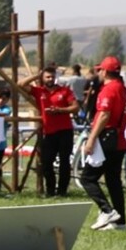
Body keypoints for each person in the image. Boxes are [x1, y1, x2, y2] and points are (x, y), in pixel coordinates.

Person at [82, 57, 126, 230]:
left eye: (99, 70)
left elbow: (104, 115)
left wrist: (92, 139)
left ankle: (107, 210)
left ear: (104, 71)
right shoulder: (124, 90)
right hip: (120, 140)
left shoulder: (109, 90)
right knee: (113, 181)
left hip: (106, 139)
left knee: (87, 178)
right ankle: (120, 221)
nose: (98, 73)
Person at [23, 65, 79, 197]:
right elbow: (21, 84)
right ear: (43, 78)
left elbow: (75, 107)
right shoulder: (39, 91)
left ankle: (62, 191)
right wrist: (37, 75)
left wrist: (60, 110)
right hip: (49, 132)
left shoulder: (64, 91)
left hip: (65, 131)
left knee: (64, 162)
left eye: (52, 76)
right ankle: (50, 190)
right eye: (47, 76)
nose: (50, 79)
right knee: (46, 162)